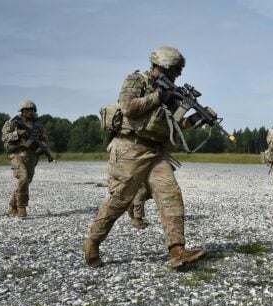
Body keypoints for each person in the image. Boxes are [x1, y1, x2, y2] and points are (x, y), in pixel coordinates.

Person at [83, 46, 206, 269]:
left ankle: (177, 250)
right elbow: (128, 108)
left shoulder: (172, 94)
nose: (179, 73)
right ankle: (92, 242)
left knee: (170, 194)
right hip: (130, 148)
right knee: (120, 200)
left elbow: (172, 128)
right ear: (164, 65)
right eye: (176, 69)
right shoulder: (137, 80)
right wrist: (159, 96)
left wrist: (195, 119)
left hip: (156, 152)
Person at [1, 100, 49, 218]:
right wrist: (18, 133)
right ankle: (21, 208)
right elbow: (4, 137)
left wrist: (42, 148)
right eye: (27, 110)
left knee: (25, 182)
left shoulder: (38, 126)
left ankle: (12, 207)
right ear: (22, 112)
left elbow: (44, 140)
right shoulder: (12, 123)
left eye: (32, 110)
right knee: (23, 177)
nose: (30, 112)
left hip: (32, 156)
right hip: (16, 154)